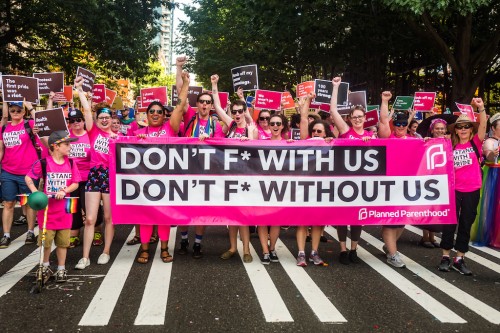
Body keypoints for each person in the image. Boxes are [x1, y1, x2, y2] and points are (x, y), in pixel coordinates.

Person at [134, 71, 190, 264]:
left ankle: (164, 249)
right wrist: (136, 142)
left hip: (167, 182)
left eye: (159, 112)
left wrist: (186, 83)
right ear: (146, 115)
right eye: (152, 112)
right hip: (145, 183)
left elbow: (180, 105)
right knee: (145, 217)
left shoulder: (170, 128)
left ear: (164, 115)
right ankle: (144, 250)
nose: (156, 114)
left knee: (164, 216)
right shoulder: (138, 132)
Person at [175, 56, 224, 259]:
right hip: (187, 170)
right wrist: (179, 68)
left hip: (207, 173)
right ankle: (184, 239)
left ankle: (197, 243)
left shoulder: (216, 125)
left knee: (202, 211)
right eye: (201, 102)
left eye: (208, 102)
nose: (204, 105)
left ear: (211, 105)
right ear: (197, 104)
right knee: (185, 209)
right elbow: (180, 95)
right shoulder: (189, 118)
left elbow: (222, 149)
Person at [438, 98, 487, 275]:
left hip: (472, 190)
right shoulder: (449, 144)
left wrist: (481, 107)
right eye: (460, 127)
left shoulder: (476, 143)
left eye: (467, 126)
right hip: (453, 190)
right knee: (450, 223)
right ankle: (445, 257)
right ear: (456, 130)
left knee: (466, 224)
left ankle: (459, 258)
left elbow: (483, 126)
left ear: (471, 129)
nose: (463, 129)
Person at [25, 131, 81, 282]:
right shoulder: (44, 163)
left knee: (63, 242)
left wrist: (64, 190)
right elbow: (29, 177)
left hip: (64, 209)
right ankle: (45, 266)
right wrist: (36, 192)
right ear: (55, 146)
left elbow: (75, 183)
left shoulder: (71, 163)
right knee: (46, 241)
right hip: (47, 211)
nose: (70, 147)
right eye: (67, 144)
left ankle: (61, 269)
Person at [74, 77, 118, 270]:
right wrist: (80, 90)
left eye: (107, 117)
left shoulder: (118, 137)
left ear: (111, 118)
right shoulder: (92, 132)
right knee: (90, 219)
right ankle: (85, 257)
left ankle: (106, 251)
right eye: (101, 117)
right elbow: (86, 111)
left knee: (109, 218)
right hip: (93, 176)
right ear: (97, 119)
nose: (104, 119)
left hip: (111, 177)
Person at [211, 74, 254, 263]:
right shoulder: (230, 126)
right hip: (229, 177)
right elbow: (218, 108)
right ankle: (232, 248)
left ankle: (246, 250)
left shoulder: (251, 129)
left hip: (246, 178)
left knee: (243, 216)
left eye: (239, 111)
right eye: (234, 112)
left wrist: (249, 142)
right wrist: (214, 85)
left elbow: (258, 151)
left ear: (244, 111)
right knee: (231, 216)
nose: (236, 114)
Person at [329, 76, 372, 265]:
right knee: (342, 217)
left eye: (360, 117)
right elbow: (333, 110)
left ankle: (354, 249)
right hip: (344, 182)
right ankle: (343, 249)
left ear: (365, 118)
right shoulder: (346, 131)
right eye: (354, 117)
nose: (357, 120)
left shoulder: (372, 136)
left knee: (358, 218)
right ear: (350, 119)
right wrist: (336, 87)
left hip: (362, 184)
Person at [294, 92, 333, 267]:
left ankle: (314, 253)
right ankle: (301, 253)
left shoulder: (331, 144)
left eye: (320, 131)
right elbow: (303, 119)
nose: (316, 132)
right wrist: (308, 100)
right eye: (314, 130)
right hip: (304, 186)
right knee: (302, 221)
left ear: (326, 133)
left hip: (322, 189)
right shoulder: (305, 141)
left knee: (318, 223)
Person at [378, 91, 415, 268]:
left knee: (402, 219)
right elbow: (384, 120)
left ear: (407, 124)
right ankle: (393, 253)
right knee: (390, 219)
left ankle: (388, 245)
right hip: (389, 186)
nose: (400, 126)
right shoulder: (388, 137)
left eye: (403, 123)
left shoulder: (414, 140)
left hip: (407, 186)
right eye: (397, 123)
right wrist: (385, 101)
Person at [0, 101, 40, 248]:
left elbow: (42, 122)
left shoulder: (29, 124)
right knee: (8, 203)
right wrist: (5, 99)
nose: (15, 112)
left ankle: (30, 232)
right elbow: (1, 150)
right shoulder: (4, 127)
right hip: (8, 171)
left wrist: (30, 107)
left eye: (18, 110)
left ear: (23, 112)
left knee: (29, 203)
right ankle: (6, 235)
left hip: (28, 172)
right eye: (13, 110)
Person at [66, 109, 104, 249]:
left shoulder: (90, 135)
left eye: (78, 120)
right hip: (71, 180)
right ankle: (74, 234)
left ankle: (97, 231)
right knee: (72, 207)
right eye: (72, 120)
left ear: (83, 121)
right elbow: (48, 144)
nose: (76, 123)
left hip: (89, 178)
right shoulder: (66, 137)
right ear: (69, 123)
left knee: (89, 208)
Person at [255, 114, 290, 264]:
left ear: (282, 126)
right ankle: (264, 251)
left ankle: (272, 248)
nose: (275, 126)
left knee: (276, 221)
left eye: (278, 123)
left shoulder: (290, 143)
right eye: (272, 123)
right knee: (262, 221)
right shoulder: (260, 143)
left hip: (280, 189)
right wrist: (243, 141)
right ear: (268, 126)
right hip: (263, 187)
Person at [472, 113, 499, 247]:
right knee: (491, 204)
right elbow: (488, 156)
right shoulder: (490, 141)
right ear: (493, 128)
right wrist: (493, 153)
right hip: (494, 175)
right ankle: (490, 234)